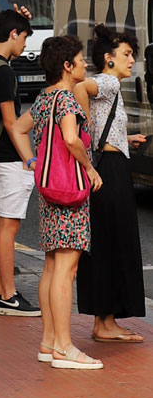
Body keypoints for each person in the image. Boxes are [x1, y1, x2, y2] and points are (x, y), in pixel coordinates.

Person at [12, 34, 103, 369]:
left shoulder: (43, 99)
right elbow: (70, 138)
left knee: (51, 266)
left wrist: (33, 162)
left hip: (49, 191)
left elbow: (18, 129)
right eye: (79, 60)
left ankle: (49, 341)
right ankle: (65, 347)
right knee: (67, 268)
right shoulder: (66, 101)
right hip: (70, 193)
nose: (84, 64)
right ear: (67, 66)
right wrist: (89, 166)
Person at [74, 25, 146, 343]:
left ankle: (105, 319)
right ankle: (105, 322)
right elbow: (79, 90)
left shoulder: (111, 86)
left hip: (112, 163)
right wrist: (85, 130)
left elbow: (105, 128)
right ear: (109, 58)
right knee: (113, 242)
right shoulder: (106, 82)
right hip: (109, 170)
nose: (132, 61)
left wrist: (125, 138)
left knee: (109, 242)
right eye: (127, 55)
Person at [0, 9, 41, 317]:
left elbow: (3, 60)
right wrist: (29, 158)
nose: (26, 44)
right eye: (24, 36)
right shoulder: (4, 73)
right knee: (8, 228)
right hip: (9, 159)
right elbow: (11, 121)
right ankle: (10, 295)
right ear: (14, 34)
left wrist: (14, 15)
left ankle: (0, 292)